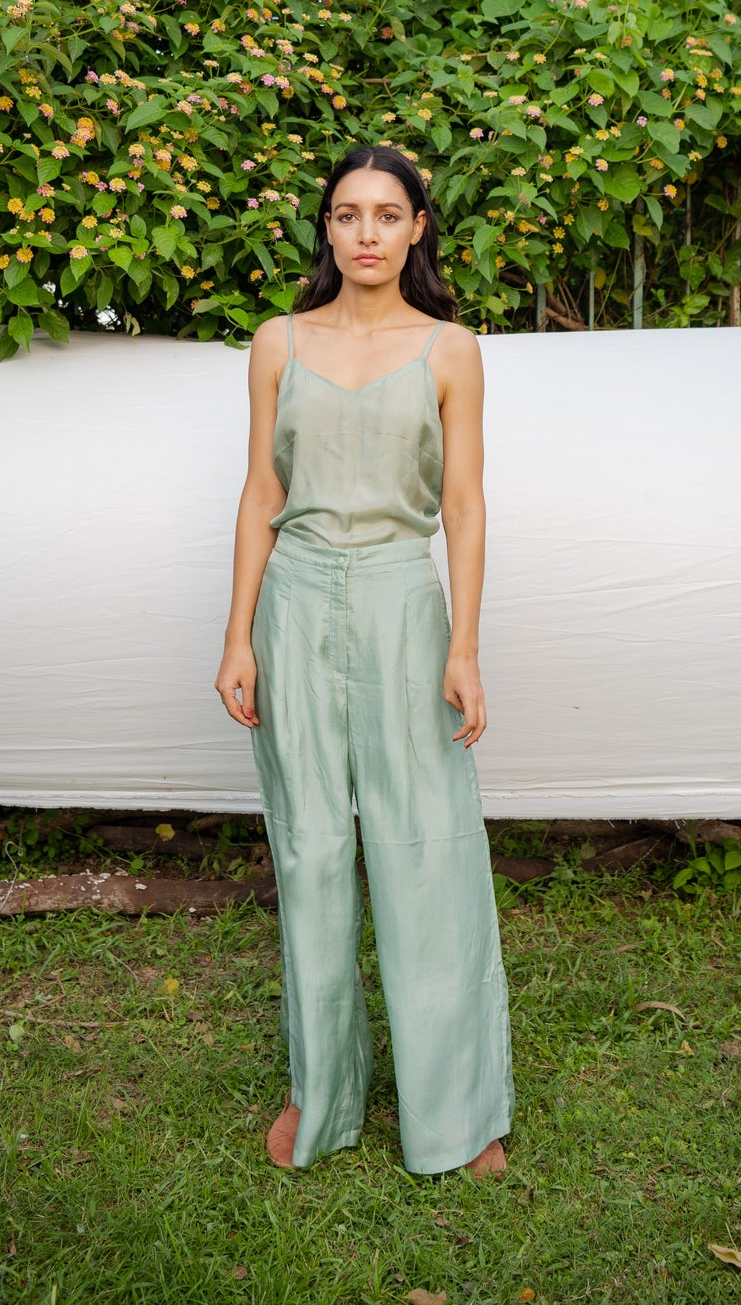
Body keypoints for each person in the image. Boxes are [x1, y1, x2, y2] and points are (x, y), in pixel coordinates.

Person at [214, 142, 515, 1176]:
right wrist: (237, 633)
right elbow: (262, 492)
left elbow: (466, 506)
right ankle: (321, 1091)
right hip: (296, 601)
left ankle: (458, 1108)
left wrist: (465, 647)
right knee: (308, 850)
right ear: (328, 228)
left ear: (417, 228)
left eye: (388, 215)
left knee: (424, 843)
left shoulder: (450, 350)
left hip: (399, 600)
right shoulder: (277, 342)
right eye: (348, 215)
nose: (368, 233)